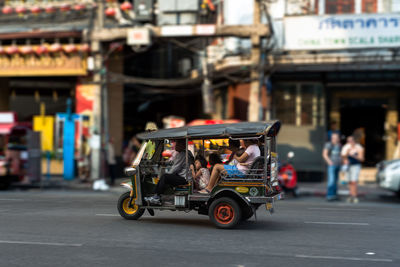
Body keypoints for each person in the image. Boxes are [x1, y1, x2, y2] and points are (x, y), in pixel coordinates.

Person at [145, 139, 193, 205]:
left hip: (184, 178)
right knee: (165, 177)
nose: (176, 146)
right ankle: (158, 195)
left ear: (183, 145)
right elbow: (175, 163)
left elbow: (174, 169)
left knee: (165, 177)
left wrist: (163, 177)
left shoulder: (182, 154)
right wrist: (165, 163)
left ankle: (156, 197)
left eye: (178, 144)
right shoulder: (188, 152)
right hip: (186, 177)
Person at [342, 136, 364, 203]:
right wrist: (346, 155)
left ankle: (355, 196)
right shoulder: (345, 147)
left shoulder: (359, 147)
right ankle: (351, 195)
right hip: (348, 166)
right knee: (350, 182)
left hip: (356, 166)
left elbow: (362, 159)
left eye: (351, 140)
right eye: (348, 141)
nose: (350, 142)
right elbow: (343, 157)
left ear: (354, 141)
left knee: (354, 181)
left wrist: (353, 155)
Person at [322, 132, 342, 201]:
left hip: (338, 165)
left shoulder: (339, 145)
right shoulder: (329, 144)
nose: (335, 139)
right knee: (331, 180)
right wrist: (329, 162)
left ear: (338, 138)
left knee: (336, 181)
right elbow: (325, 154)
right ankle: (329, 195)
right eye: (333, 138)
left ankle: (334, 195)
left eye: (336, 138)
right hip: (332, 165)